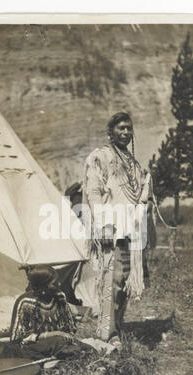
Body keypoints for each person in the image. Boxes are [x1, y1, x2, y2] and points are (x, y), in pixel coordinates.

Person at [82, 112, 153, 341]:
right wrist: (103, 225)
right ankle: (106, 334)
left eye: (129, 128)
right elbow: (93, 192)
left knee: (123, 282)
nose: (125, 132)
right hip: (111, 230)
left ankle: (117, 327)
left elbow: (140, 194)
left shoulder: (133, 163)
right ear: (111, 131)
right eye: (121, 128)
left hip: (130, 231)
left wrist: (146, 190)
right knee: (110, 282)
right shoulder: (100, 156)